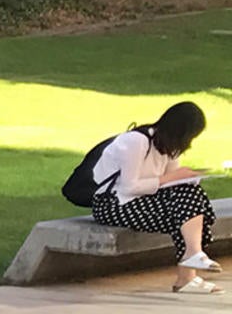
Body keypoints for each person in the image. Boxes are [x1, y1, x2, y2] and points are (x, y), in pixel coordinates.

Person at [88, 101, 219, 293]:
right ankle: (189, 270)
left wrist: (188, 178)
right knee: (186, 212)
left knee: (189, 202)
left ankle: (191, 264)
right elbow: (129, 186)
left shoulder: (168, 146)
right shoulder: (136, 142)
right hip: (113, 204)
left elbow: (170, 184)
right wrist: (173, 177)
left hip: (141, 201)